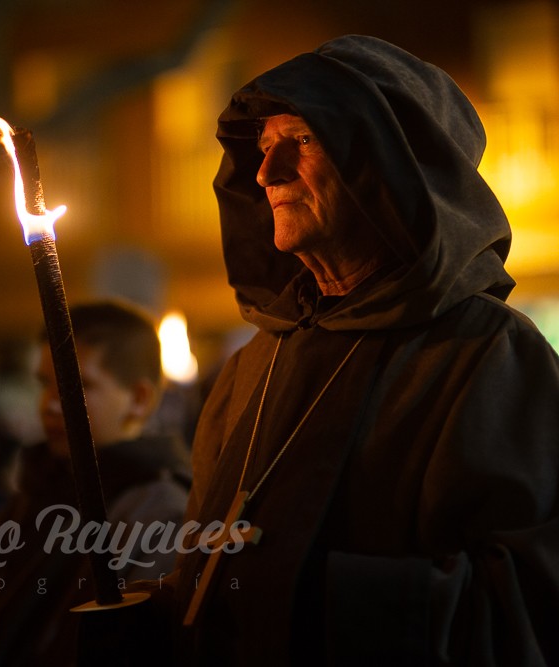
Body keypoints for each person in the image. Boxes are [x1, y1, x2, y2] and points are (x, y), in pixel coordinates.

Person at [116, 35, 559, 665]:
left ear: (390, 167)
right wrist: (163, 617)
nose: (267, 173)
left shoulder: (491, 359)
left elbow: (526, 608)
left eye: (302, 140)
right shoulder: (251, 368)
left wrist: (296, 593)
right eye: (264, 147)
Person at [0, 299, 191, 667]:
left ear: (139, 400)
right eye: (46, 384)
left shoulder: (159, 513)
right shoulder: (38, 487)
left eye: (76, 385)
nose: (49, 404)